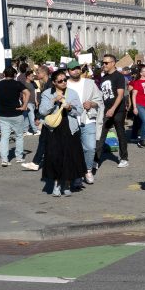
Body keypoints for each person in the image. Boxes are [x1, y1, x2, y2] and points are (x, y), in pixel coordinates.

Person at [38, 69, 87, 197]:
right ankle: (56, 184)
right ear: (54, 82)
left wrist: (71, 108)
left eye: (65, 79)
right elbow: (42, 111)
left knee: (69, 157)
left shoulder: (72, 93)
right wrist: (53, 101)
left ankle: (66, 184)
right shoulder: (47, 94)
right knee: (55, 157)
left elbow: (79, 110)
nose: (63, 82)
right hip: (54, 129)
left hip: (70, 128)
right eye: (60, 81)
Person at [66, 60, 103, 186]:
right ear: (68, 71)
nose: (75, 70)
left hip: (88, 119)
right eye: (72, 69)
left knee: (90, 147)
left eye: (77, 68)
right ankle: (77, 174)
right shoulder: (64, 85)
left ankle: (87, 170)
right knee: (74, 150)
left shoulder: (90, 83)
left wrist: (91, 103)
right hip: (70, 121)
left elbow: (99, 100)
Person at [0, 66, 31, 167]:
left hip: (3, 115)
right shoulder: (17, 84)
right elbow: (28, 93)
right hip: (16, 113)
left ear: (4, 74)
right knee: (19, 136)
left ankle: (4, 159)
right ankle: (19, 157)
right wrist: (24, 106)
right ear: (14, 75)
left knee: (4, 137)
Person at [95, 54, 129, 168]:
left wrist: (113, 109)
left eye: (106, 63)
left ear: (113, 63)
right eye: (103, 62)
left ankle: (124, 158)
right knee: (101, 134)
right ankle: (96, 159)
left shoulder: (119, 76)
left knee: (120, 133)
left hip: (118, 110)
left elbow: (120, 95)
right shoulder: (104, 77)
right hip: (106, 110)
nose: (104, 65)